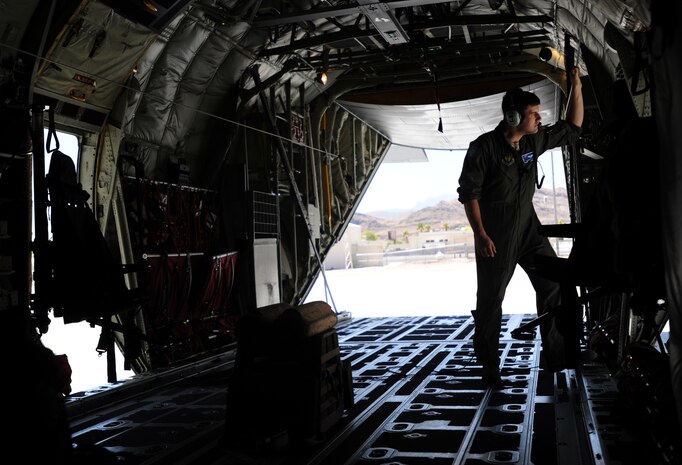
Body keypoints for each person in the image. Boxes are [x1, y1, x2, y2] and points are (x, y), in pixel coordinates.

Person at [457, 67, 584, 386]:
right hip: (495, 237)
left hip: (529, 230)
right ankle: (489, 365)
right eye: (534, 114)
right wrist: (481, 234)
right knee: (490, 301)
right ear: (513, 117)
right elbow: (468, 195)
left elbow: (572, 127)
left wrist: (577, 86)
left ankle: (556, 357)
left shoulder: (532, 142)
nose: (540, 120)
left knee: (552, 286)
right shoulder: (483, 148)